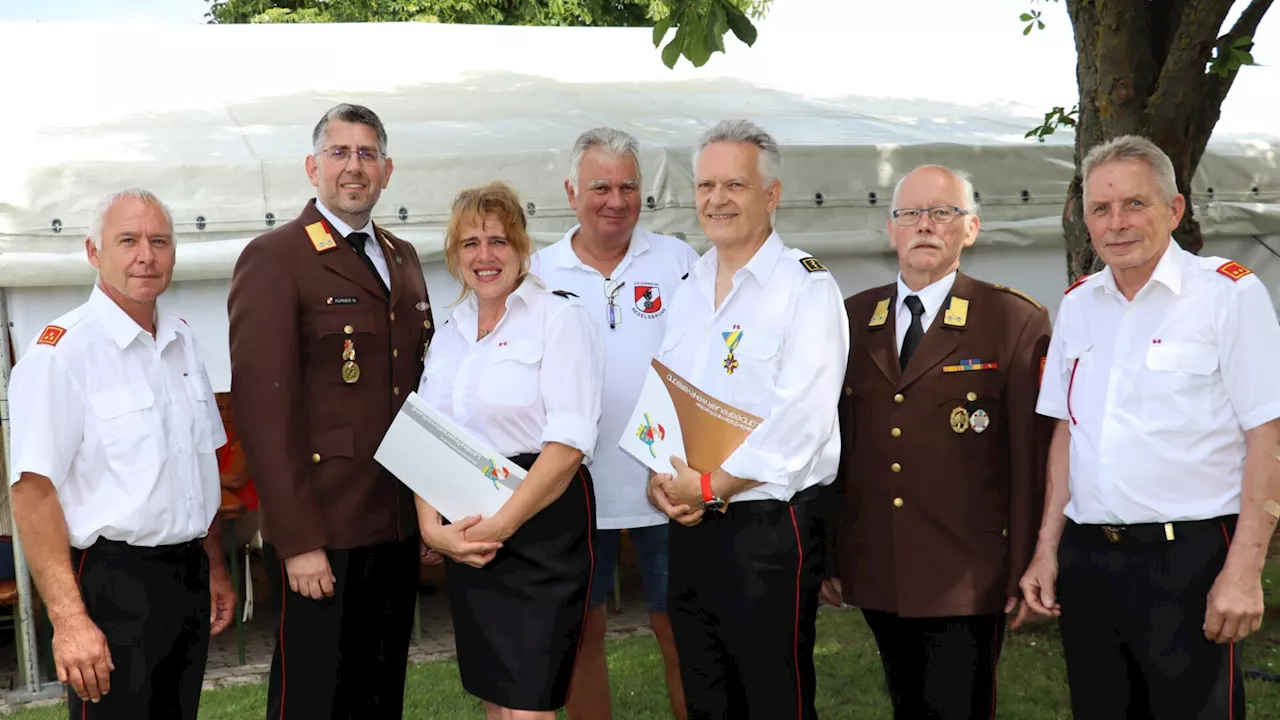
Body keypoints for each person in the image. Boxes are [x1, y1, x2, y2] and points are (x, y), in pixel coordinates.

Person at [1020, 134, 1280, 718]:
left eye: (1135, 203)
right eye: (1100, 209)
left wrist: (1244, 570)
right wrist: (1047, 548)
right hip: (1091, 559)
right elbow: (1068, 431)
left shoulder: (1227, 296)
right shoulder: (1080, 303)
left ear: (1175, 209)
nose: (1117, 223)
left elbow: (1269, 435)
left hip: (1188, 558)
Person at [227, 103, 435, 719]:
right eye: (340, 153)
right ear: (313, 167)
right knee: (312, 700)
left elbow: (417, 392)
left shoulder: (402, 257)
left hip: (394, 524)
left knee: (378, 697)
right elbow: (264, 413)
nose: (354, 167)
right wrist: (296, 541)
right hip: (324, 530)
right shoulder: (277, 256)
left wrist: (428, 512)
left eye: (367, 154)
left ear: (387, 170)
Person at [824, 164, 1052, 718]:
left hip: (968, 571)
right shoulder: (851, 318)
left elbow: (1031, 458)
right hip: (878, 561)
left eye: (943, 212)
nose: (925, 224)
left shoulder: (1012, 320)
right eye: (910, 213)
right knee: (906, 702)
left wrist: (1025, 562)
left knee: (959, 707)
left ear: (970, 229)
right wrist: (831, 553)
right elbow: (834, 447)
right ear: (891, 229)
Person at [7, 188, 236, 720]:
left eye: (159, 241)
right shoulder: (60, 353)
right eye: (128, 240)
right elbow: (32, 492)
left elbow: (200, 467)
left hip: (188, 574)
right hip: (112, 585)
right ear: (93, 251)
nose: (146, 256)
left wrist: (216, 566)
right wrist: (68, 620)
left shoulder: (182, 340)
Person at [646, 119, 848, 720]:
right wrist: (663, 480)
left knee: (772, 697)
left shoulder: (805, 288)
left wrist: (710, 487)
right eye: (706, 184)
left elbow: (802, 421)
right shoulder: (690, 285)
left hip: (767, 526)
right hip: (691, 523)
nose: (716, 199)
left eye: (734, 184)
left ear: (771, 194)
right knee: (707, 693)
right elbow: (670, 396)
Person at [416, 181, 605, 719]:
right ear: (454, 256)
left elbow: (568, 446)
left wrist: (502, 524)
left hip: (542, 523)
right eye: (470, 243)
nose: (485, 256)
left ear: (522, 248)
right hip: (469, 528)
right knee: (496, 696)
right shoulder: (449, 333)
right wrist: (433, 529)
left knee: (529, 701)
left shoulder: (560, 319)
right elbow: (425, 435)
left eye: (498, 240)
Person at [529, 126, 698, 720]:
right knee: (582, 638)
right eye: (601, 186)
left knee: (683, 633)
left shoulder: (679, 261)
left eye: (628, 186)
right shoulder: (537, 272)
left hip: (669, 488)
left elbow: (703, 366)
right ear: (573, 190)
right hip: (573, 490)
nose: (616, 200)